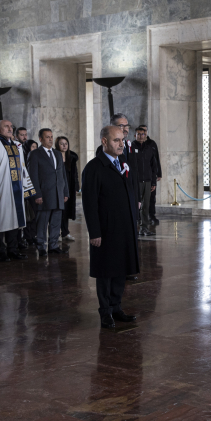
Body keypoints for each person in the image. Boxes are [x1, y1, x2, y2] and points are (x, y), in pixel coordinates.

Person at [82, 125, 139, 329]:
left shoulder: (123, 163)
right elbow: (89, 203)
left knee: (120, 270)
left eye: (122, 140)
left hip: (124, 228)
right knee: (106, 272)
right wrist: (94, 232)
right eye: (116, 140)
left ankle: (116, 307)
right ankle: (105, 311)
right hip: (105, 230)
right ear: (104, 142)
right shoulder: (94, 168)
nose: (120, 144)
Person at [0, 119, 35, 262]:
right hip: (2, 190)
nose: (10, 128)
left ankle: (12, 250)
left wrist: (27, 188)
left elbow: (23, 168)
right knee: (0, 221)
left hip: (16, 191)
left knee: (14, 221)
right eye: (6, 126)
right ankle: (1, 252)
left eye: (11, 126)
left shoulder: (17, 146)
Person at [27, 128, 69, 257]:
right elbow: (32, 176)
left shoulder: (57, 153)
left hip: (58, 194)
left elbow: (62, 175)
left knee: (56, 222)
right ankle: (41, 246)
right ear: (40, 139)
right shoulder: (35, 154)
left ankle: (53, 246)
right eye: (47, 137)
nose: (50, 139)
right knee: (42, 223)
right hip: (44, 195)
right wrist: (37, 194)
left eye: (51, 136)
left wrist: (65, 192)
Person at [132, 126, 158, 236]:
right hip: (135, 182)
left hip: (147, 181)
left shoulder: (149, 149)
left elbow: (154, 167)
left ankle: (144, 228)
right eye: (138, 134)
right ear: (135, 135)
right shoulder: (131, 148)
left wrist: (153, 182)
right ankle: (133, 228)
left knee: (146, 205)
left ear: (146, 135)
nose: (140, 136)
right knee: (134, 205)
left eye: (142, 134)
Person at [56, 136, 79, 242]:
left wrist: (76, 187)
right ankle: (55, 234)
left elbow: (75, 174)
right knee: (57, 210)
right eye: (62, 143)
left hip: (69, 187)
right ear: (57, 145)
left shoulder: (72, 157)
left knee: (66, 211)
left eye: (66, 143)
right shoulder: (54, 156)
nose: (64, 145)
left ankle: (65, 233)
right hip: (57, 187)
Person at [138, 125, 161, 224]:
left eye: (144, 132)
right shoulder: (134, 145)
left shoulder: (152, 144)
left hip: (150, 176)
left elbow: (156, 160)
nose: (143, 134)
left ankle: (151, 215)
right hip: (139, 178)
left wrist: (158, 173)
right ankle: (139, 218)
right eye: (140, 133)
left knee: (151, 197)